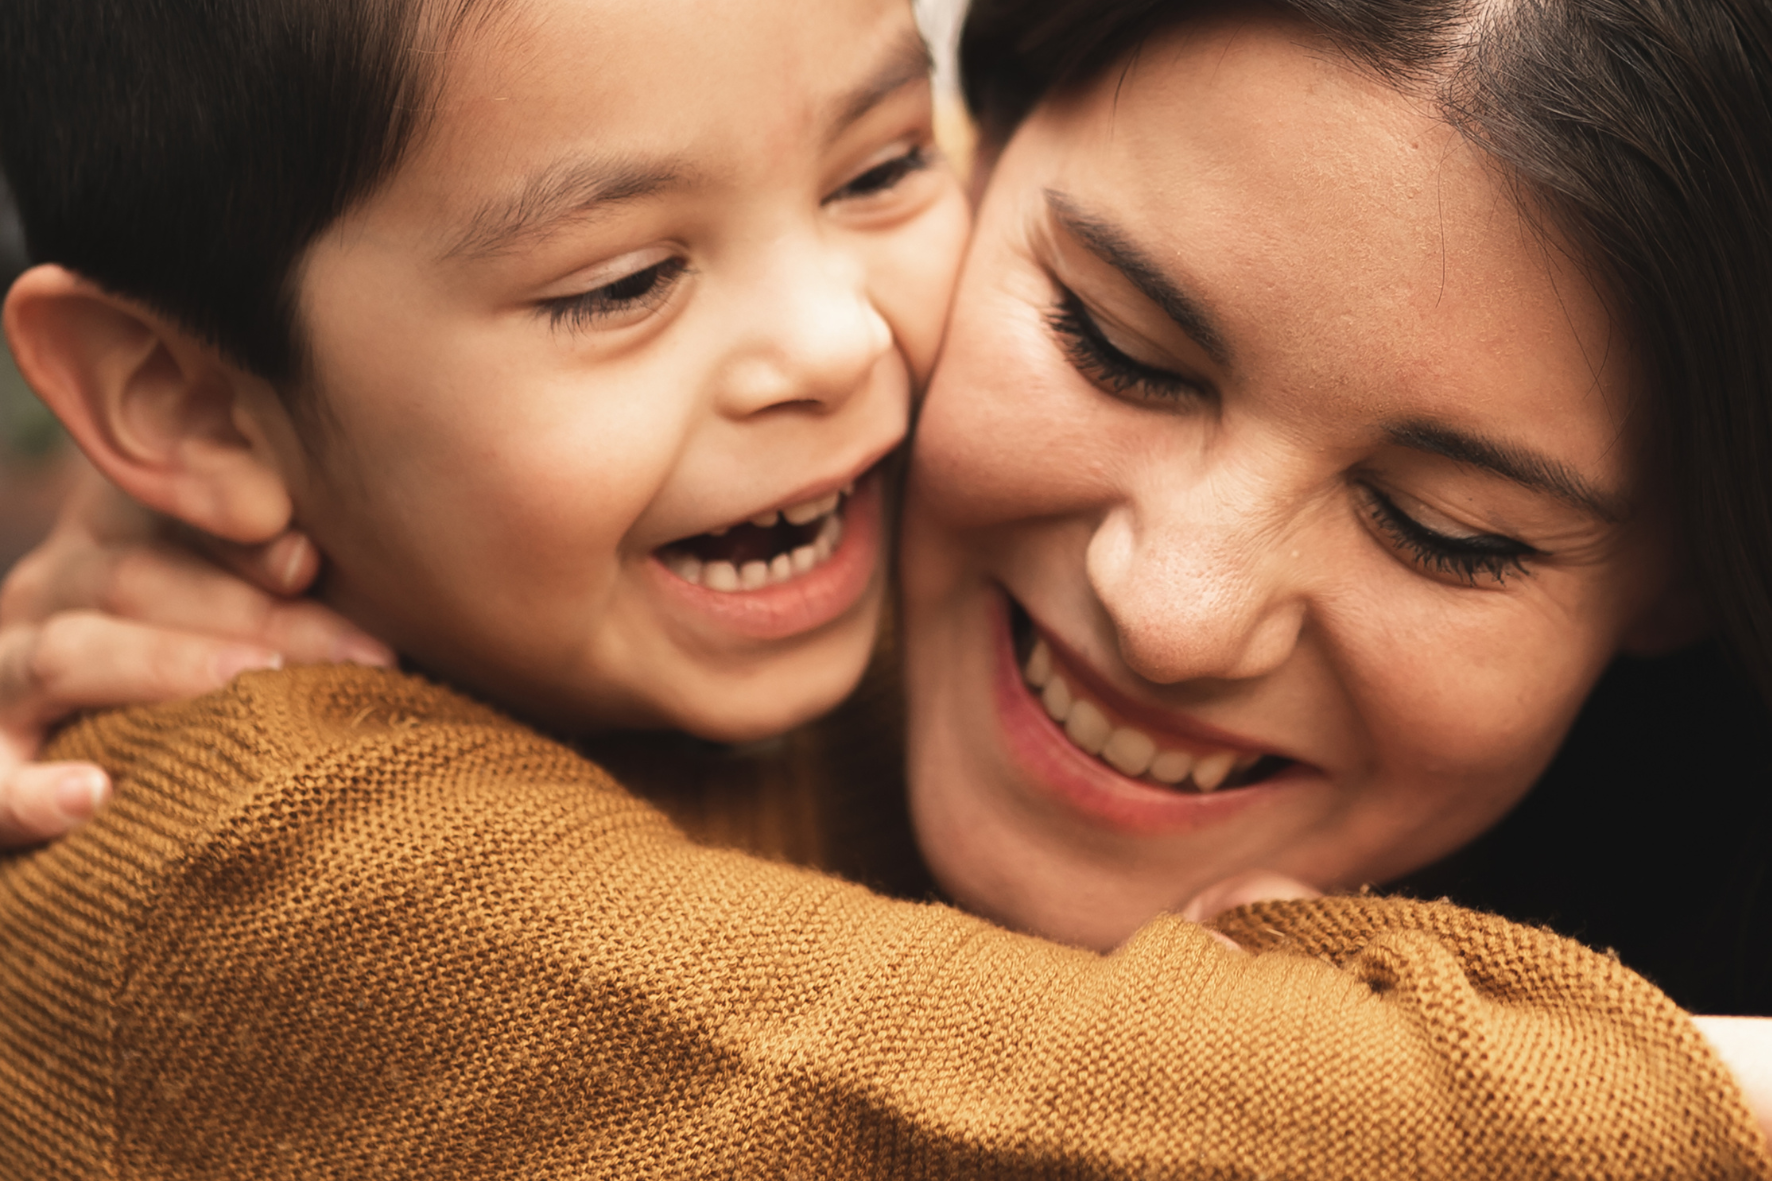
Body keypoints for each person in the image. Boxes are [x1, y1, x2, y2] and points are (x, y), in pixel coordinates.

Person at [3, 0, 1771, 1176]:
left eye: (1446, 529)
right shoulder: (238, 814)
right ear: (1003, 149)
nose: (1172, 605)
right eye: (1116, 345)